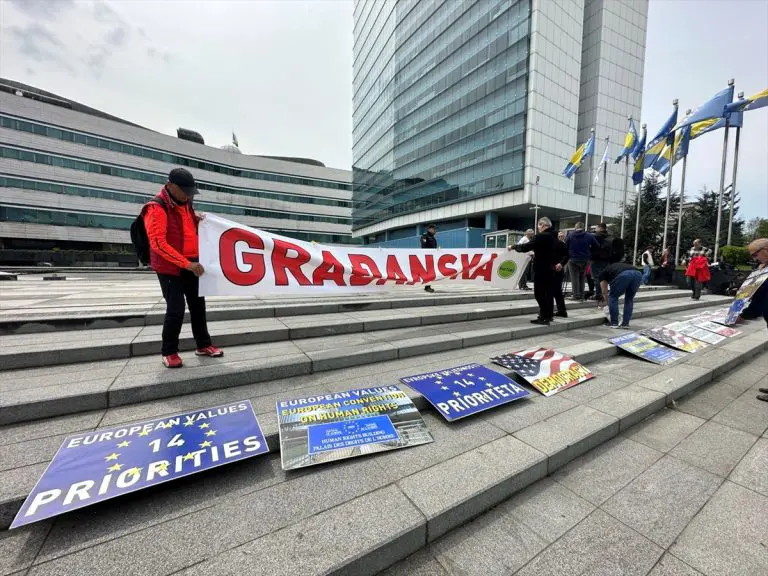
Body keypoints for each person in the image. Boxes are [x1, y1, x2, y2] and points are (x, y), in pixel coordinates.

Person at [142, 168, 223, 368]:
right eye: (184, 191)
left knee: (198, 306)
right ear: (170, 186)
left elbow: (186, 230)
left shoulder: (186, 204)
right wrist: (187, 264)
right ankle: (169, 351)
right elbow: (158, 244)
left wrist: (198, 221)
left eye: (190, 192)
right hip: (170, 268)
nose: (188, 195)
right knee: (176, 309)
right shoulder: (156, 208)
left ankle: (203, 345)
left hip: (191, 264)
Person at [511, 217, 559, 325]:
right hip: (551, 268)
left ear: (543, 225)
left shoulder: (542, 236)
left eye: (538, 226)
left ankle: (544, 317)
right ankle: (549, 315)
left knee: (539, 293)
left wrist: (513, 247)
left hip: (541, 267)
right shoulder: (555, 237)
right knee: (548, 293)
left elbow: (526, 247)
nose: (538, 229)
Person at [598, 262, 642, 328]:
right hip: (638, 274)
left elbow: (604, 292)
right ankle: (625, 324)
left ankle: (614, 323)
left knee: (613, 297)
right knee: (629, 299)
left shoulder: (602, 274)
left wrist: (607, 303)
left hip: (624, 274)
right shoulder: (613, 268)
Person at [566, 222, 600, 301]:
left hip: (573, 259)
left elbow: (566, 247)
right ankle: (581, 296)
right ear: (583, 227)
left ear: (575, 227)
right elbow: (597, 245)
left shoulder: (570, 235)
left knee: (574, 278)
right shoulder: (589, 236)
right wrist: (589, 253)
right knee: (582, 277)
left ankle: (575, 295)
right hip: (585, 259)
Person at [590, 223, 611, 303]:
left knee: (596, 277)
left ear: (599, 228)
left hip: (596, 260)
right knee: (604, 278)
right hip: (607, 260)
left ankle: (598, 294)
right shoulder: (609, 236)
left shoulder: (595, 236)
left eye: (596, 228)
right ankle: (604, 294)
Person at [553, 230, 569, 317]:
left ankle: (561, 311)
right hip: (557, 270)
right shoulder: (559, 244)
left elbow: (567, 256)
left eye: (562, 236)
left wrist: (561, 264)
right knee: (557, 292)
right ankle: (562, 311)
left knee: (556, 292)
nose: (560, 238)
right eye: (559, 236)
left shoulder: (562, 244)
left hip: (557, 270)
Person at [420, 223, 438, 293]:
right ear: (429, 229)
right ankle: (427, 287)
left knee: (430, 273)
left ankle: (428, 286)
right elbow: (424, 245)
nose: (435, 231)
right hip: (426, 257)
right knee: (428, 272)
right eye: (434, 229)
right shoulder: (424, 236)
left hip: (431, 257)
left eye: (435, 229)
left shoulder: (433, 237)